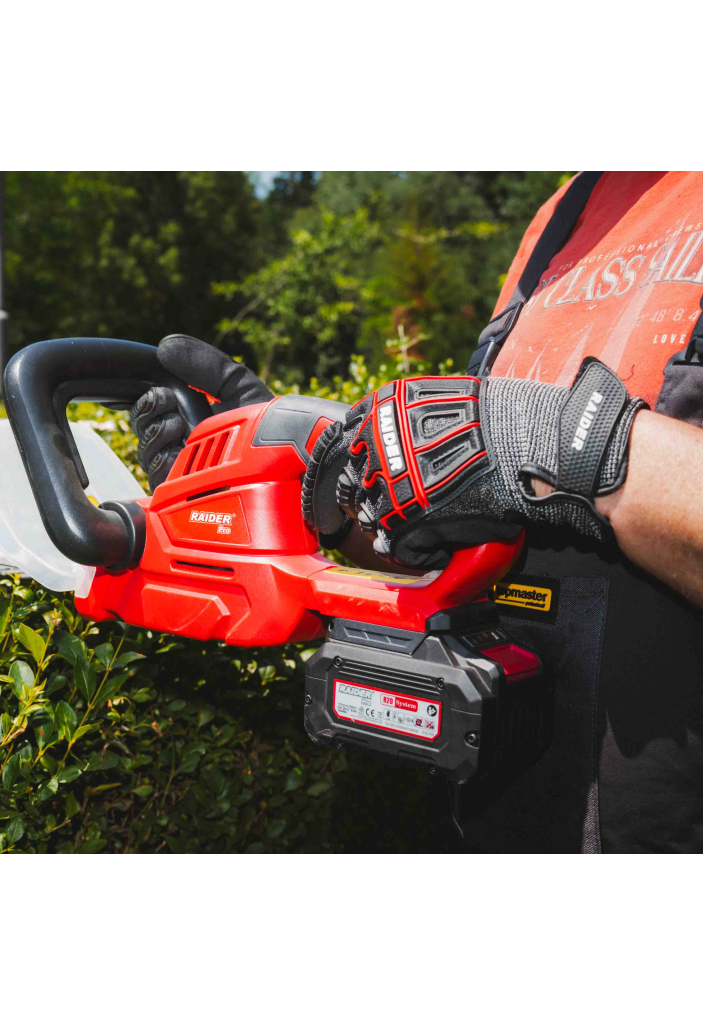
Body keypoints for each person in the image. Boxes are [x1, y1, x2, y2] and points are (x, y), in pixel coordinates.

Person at [131, 172, 703, 853]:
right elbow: (467, 537)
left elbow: (515, 443)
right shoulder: (564, 216)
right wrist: (314, 493)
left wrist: (558, 442)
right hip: (497, 811)